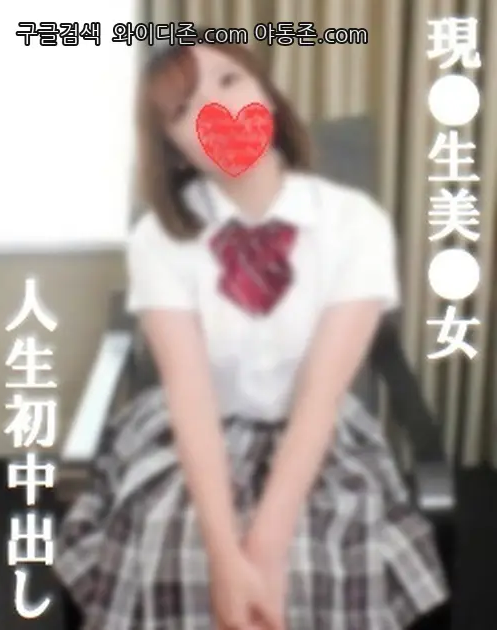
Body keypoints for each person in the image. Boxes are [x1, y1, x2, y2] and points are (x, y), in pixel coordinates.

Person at [54, 30, 448, 630]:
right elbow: (189, 396)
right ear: (174, 149)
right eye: (183, 110)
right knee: (173, 544)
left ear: (267, 97)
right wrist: (224, 556)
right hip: (194, 430)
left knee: (317, 555)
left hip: (316, 432)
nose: (217, 108)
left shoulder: (353, 223)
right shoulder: (159, 240)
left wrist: (263, 546)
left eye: (230, 80)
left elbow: (320, 396)